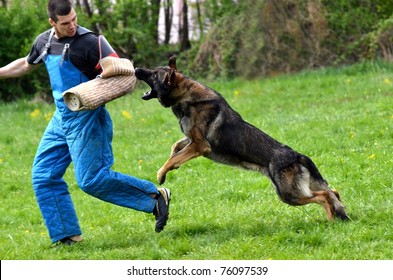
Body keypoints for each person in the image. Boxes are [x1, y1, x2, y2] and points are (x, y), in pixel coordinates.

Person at [0, 0, 170, 246]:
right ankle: (67, 236)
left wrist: (108, 70)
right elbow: (27, 64)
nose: (72, 26)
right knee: (43, 176)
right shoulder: (44, 42)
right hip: (61, 118)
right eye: (65, 23)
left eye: (74, 19)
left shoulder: (91, 42)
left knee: (91, 179)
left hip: (88, 117)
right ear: (52, 23)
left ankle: (154, 197)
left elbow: (119, 68)